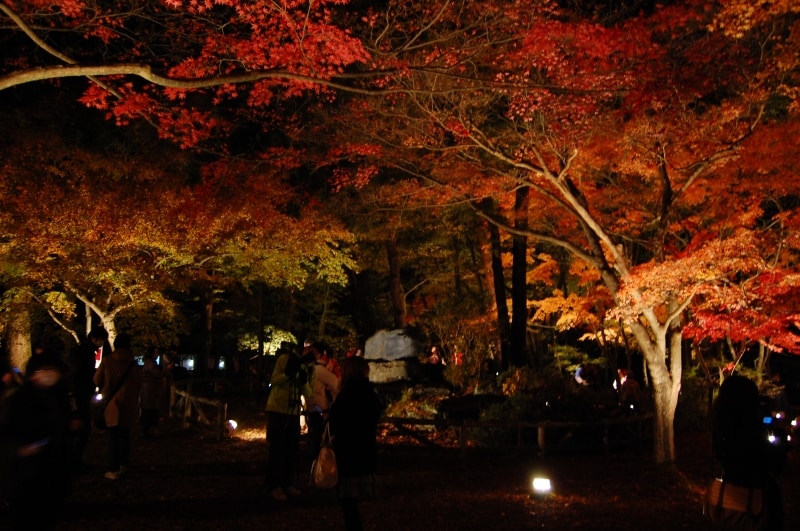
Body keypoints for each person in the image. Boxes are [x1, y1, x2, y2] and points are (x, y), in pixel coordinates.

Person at [0, 346, 73, 529]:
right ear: (34, 374)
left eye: (53, 370)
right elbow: (4, 432)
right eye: (45, 370)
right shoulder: (17, 399)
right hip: (23, 474)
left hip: (51, 472)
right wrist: (18, 449)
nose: (50, 375)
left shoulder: (58, 397)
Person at [709, 374, 785, 530]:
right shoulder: (751, 430)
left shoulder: (719, 427)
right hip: (755, 493)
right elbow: (775, 463)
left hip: (727, 490)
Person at [328, 357, 383, 531]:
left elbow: (336, 423)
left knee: (348, 501)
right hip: (366, 449)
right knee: (358, 501)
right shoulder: (370, 393)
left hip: (348, 452)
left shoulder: (346, 395)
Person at [264, 343, 314, 501]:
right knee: (276, 450)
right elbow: (274, 380)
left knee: (291, 449)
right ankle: (274, 485)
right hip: (277, 411)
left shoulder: (306, 366)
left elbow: (308, 392)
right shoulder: (284, 359)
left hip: (293, 413)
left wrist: (304, 381)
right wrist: (289, 375)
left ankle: (288, 483)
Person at [93, 333, 142, 480]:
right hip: (129, 404)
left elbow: (96, 380)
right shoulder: (133, 365)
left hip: (112, 404)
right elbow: (139, 384)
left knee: (113, 437)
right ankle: (123, 464)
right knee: (125, 436)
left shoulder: (108, 361)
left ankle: (113, 469)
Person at [67, 326, 108, 472]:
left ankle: (74, 460)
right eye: (102, 340)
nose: (102, 343)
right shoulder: (86, 352)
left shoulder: (83, 351)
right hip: (81, 394)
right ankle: (75, 461)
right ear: (94, 338)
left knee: (80, 429)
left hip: (80, 394)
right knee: (82, 429)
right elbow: (80, 374)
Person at [305, 342, 340, 457]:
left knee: (315, 433)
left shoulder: (307, 370)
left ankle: (314, 458)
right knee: (321, 435)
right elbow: (335, 382)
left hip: (312, 406)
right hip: (321, 408)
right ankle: (321, 460)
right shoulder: (318, 369)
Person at [139, 351, 164, 438]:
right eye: (156, 353)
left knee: (148, 411)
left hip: (149, 392)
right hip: (150, 392)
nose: (157, 355)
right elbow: (158, 374)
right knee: (150, 412)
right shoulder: (151, 364)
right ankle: (148, 431)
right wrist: (165, 371)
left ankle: (148, 430)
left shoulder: (149, 363)